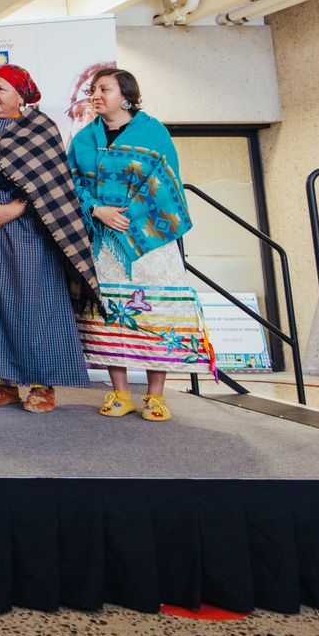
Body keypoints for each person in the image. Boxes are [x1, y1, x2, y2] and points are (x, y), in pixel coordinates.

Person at [69, 68, 216, 422]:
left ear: (126, 96)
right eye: (93, 90)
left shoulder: (153, 132)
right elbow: (71, 181)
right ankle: (120, 393)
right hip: (102, 240)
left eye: (104, 89)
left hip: (147, 241)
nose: (96, 95)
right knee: (110, 316)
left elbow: (165, 183)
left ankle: (155, 396)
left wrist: (129, 218)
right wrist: (97, 210)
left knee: (154, 313)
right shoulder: (84, 139)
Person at [0, 64, 100, 416]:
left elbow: (52, 184)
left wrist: (16, 208)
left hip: (27, 233)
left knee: (34, 303)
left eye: (0, 88)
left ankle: (41, 383)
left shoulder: (39, 128)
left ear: (21, 95)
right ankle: (2, 381)